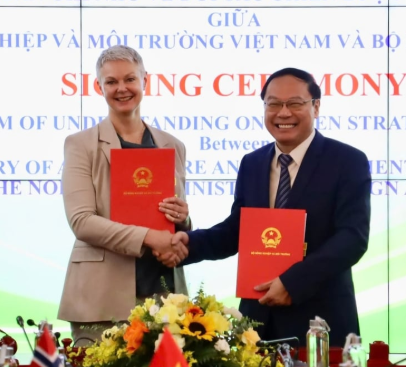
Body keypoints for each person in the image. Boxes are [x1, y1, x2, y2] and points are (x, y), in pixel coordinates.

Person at [159, 67, 371, 346]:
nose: (283, 113)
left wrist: (292, 282)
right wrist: (190, 243)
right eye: (273, 104)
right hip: (257, 321)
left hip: (320, 322)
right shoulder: (253, 163)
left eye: (294, 103)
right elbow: (238, 230)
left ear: (316, 107)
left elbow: (352, 238)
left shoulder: (347, 161)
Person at [58, 45, 191, 345]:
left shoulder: (173, 145)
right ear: (99, 86)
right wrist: (150, 237)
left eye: (130, 79)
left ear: (145, 81)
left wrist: (183, 219)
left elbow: (176, 222)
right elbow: (82, 221)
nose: (122, 88)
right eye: (111, 81)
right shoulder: (80, 144)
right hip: (101, 298)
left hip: (164, 296)